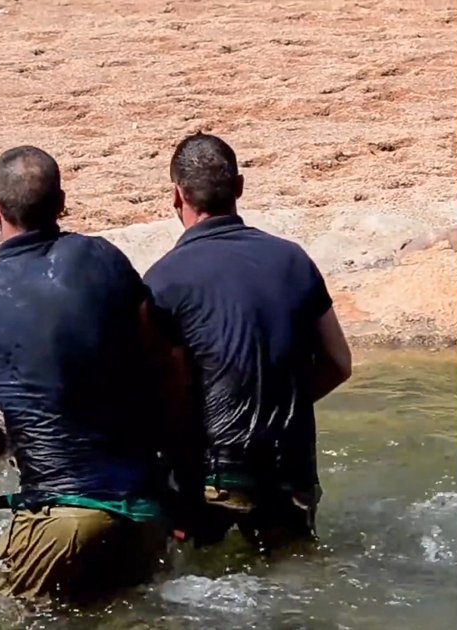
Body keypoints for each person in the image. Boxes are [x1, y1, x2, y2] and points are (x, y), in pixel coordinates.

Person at [0, 146, 189, 601]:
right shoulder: (104, 260)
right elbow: (162, 362)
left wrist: (18, 448)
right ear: (62, 202)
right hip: (144, 509)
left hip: (58, 522)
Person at [143, 133, 353, 551]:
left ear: (175, 197)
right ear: (239, 187)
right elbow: (338, 363)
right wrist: (281, 402)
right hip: (288, 468)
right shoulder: (293, 259)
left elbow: (164, 395)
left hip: (214, 474)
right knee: (292, 577)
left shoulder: (162, 280)